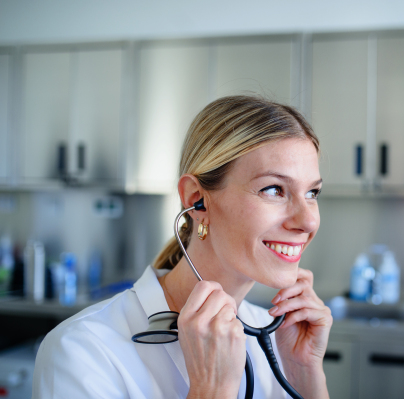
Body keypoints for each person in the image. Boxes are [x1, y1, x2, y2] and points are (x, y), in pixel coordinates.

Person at [32, 96, 332, 399]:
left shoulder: (274, 336)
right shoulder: (81, 352)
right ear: (196, 199)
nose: (308, 221)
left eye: (312, 192)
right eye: (274, 189)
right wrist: (211, 391)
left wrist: (303, 373)